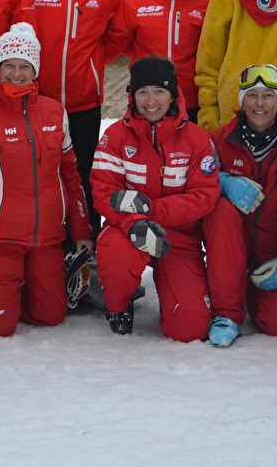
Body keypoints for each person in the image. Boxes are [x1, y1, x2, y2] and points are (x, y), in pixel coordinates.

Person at [0, 23, 92, 336]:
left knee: (51, 314)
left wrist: (81, 231)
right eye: (9, 65)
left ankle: (12, 286)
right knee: (0, 324)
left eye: (24, 66)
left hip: (46, 238)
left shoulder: (55, 113)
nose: (16, 74)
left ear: (35, 69)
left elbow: (71, 178)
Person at [91, 56, 223, 340]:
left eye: (159, 91)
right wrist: (134, 224)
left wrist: (152, 208)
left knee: (189, 328)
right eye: (142, 92)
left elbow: (205, 196)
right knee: (114, 252)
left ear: (174, 95)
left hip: (179, 239)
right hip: (127, 230)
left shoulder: (196, 139)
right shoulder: (114, 136)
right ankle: (119, 303)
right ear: (132, 95)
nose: (150, 100)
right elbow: (103, 192)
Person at [26, 0, 131, 229]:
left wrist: (93, 62)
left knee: (83, 172)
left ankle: (84, 243)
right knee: (40, 174)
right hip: (38, 100)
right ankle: (44, 241)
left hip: (84, 101)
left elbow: (118, 35)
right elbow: (21, 31)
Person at [207, 64, 277, 346]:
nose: (259, 103)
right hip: (230, 243)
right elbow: (196, 183)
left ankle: (249, 289)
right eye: (252, 95)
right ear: (241, 101)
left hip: (276, 248)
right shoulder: (219, 141)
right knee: (221, 210)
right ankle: (227, 311)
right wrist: (222, 182)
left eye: (268, 95)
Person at [120, 0, 210, 124]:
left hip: (192, 103)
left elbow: (213, 52)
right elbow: (124, 43)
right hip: (146, 101)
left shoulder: (209, 2)